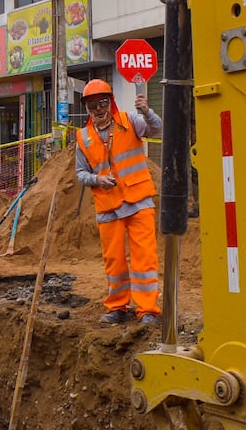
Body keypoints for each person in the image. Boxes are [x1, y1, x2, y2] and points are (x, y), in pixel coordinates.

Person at [75, 79, 163, 325]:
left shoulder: (130, 121)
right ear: (88, 109)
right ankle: (117, 307)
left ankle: (147, 310)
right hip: (107, 206)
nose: (99, 110)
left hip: (138, 201)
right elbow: (80, 173)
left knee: (144, 258)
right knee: (114, 261)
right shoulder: (83, 138)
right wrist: (97, 179)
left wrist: (146, 110)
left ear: (110, 102)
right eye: (93, 106)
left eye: (102, 103)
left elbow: (155, 128)